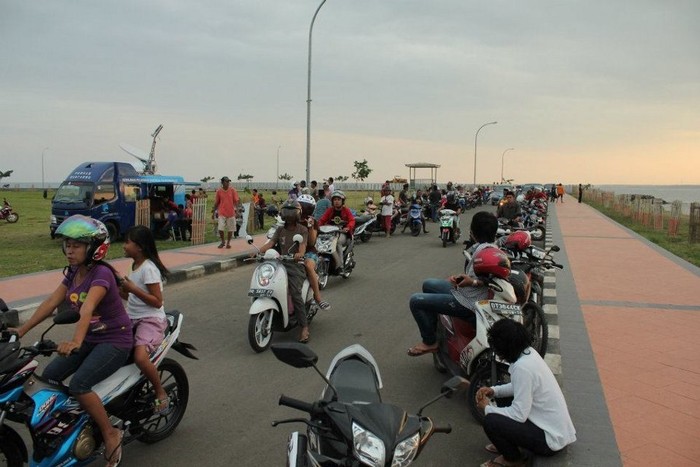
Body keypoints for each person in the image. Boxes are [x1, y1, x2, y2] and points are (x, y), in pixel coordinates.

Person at [14, 215, 132, 467]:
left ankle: (110, 433)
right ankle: (72, 425)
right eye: (67, 245)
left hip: (115, 339)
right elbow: (51, 302)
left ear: (94, 248)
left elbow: (87, 307)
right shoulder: (73, 272)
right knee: (49, 377)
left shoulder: (102, 273)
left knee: (79, 385)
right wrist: (21, 330)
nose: (69, 250)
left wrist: (75, 341)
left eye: (76, 245)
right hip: (91, 337)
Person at [477, 319, 576, 467]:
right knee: (500, 393)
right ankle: (507, 443)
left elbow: (519, 414)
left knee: (491, 421)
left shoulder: (522, 368)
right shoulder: (529, 354)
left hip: (549, 440)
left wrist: (486, 408)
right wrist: (494, 391)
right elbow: (519, 387)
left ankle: (513, 459)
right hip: (553, 429)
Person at [407, 211, 507, 356]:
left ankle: (429, 342)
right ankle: (437, 331)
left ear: (473, 231)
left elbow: (490, 279)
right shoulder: (487, 248)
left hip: (468, 303)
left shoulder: (486, 252)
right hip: (466, 292)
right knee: (428, 284)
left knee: (415, 301)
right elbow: (484, 276)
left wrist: (472, 282)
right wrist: (463, 278)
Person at [119, 225, 171, 415]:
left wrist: (132, 289)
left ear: (139, 247)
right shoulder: (134, 265)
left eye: (127, 242)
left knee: (140, 357)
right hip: (131, 317)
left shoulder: (148, 269)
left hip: (150, 320)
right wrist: (118, 289)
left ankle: (160, 391)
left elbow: (157, 302)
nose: (124, 246)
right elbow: (131, 297)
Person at [257, 200, 310, 343]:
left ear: (297, 214)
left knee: (295, 293)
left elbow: (302, 246)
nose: (289, 215)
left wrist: (299, 254)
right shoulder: (280, 229)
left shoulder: (302, 229)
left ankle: (304, 327)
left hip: (295, 265)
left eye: (292, 213)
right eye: (287, 212)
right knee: (265, 283)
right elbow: (270, 243)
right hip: (279, 263)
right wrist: (257, 251)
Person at [298, 194, 331, 311]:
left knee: (308, 266)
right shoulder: (289, 219)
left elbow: (312, 242)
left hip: (309, 252)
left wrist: (310, 227)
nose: (303, 209)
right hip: (290, 252)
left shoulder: (312, 221)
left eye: (306, 207)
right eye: (301, 206)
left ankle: (318, 298)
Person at [318, 190, 355, 274]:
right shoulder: (330, 210)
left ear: (342, 201)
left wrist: (348, 227)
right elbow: (322, 220)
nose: (336, 201)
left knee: (337, 242)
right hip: (330, 233)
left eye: (339, 199)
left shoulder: (346, 210)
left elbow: (352, 220)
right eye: (335, 200)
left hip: (343, 233)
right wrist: (317, 227)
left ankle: (340, 265)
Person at [212, 176, 240, 249]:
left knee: (231, 229)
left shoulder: (232, 190)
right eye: (226, 181)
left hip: (231, 213)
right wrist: (213, 212)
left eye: (228, 181)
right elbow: (216, 202)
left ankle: (228, 243)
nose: (228, 183)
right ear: (222, 182)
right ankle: (223, 241)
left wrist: (237, 211)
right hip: (222, 212)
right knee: (220, 228)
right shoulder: (219, 191)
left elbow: (236, 201)